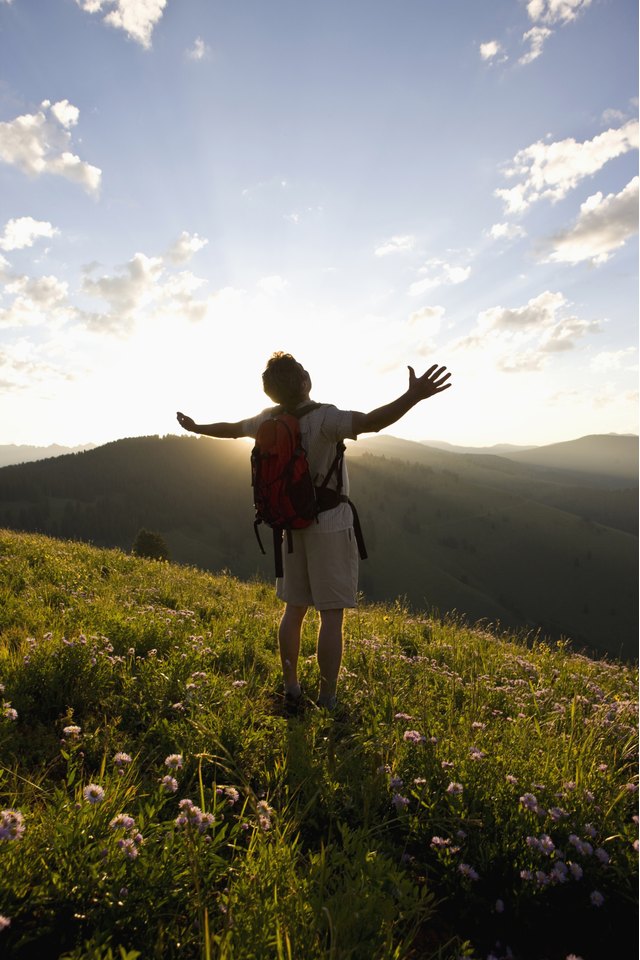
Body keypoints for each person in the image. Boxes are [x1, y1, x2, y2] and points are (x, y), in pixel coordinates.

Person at [177, 352, 451, 712]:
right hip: (330, 524)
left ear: (271, 393)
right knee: (331, 616)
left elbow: (231, 429)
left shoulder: (266, 420)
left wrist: (198, 428)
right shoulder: (325, 418)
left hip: (288, 525)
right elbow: (372, 422)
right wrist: (412, 396)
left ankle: (291, 689)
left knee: (294, 610)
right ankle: (327, 699)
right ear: (305, 382)